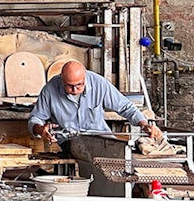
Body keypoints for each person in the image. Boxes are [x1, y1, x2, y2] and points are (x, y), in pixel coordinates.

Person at [29, 61, 163, 156]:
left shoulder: (99, 83)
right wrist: (40, 129)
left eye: (79, 85)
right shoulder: (50, 89)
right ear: (61, 80)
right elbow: (35, 119)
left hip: (100, 137)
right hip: (70, 140)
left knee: (125, 158)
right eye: (69, 86)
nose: (75, 90)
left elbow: (126, 107)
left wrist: (144, 125)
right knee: (89, 153)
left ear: (85, 77)